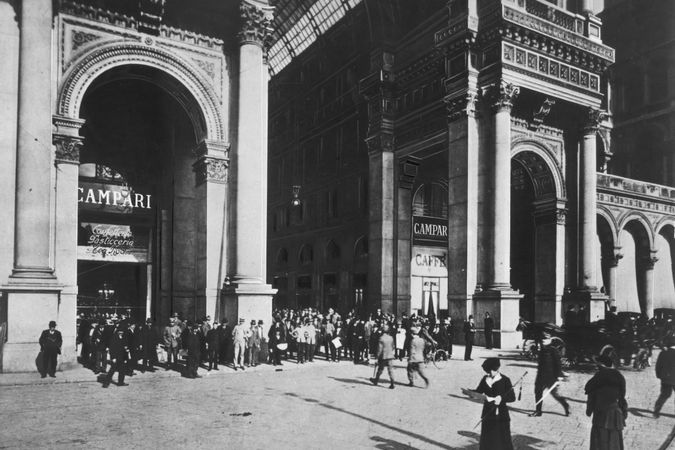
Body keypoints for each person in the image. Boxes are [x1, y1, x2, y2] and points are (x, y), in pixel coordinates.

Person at [584, 354, 627, 450]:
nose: (596, 366)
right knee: (614, 441)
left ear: (601, 365)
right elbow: (622, 396)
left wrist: (589, 410)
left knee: (599, 441)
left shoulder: (598, 376)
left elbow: (590, 392)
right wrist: (623, 412)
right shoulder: (619, 376)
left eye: (597, 364)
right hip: (616, 415)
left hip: (601, 413)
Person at [474, 358, 516, 450]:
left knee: (502, 439)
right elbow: (479, 391)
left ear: (497, 369)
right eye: (488, 371)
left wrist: (501, 398)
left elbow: (512, 397)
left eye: (492, 371)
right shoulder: (485, 379)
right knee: (487, 439)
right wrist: (471, 393)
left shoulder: (505, 380)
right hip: (487, 413)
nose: (490, 373)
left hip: (501, 414)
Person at [530, 340, 569, 417]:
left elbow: (558, 364)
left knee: (555, 394)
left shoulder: (553, 350)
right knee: (538, 392)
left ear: (549, 340)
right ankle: (538, 411)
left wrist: (559, 376)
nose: (543, 341)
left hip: (551, 377)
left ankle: (566, 405)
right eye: (542, 340)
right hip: (540, 376)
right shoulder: (541, 350)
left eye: (545, 339)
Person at [653, 336, 675, 418]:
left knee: (664, 394)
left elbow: (658, 365)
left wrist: (659, 375)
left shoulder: (663, 352)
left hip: (666, 378)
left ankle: (656, 410)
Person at [370, 321, 396, 389]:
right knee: (390, 370)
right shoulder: (391, 338)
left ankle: (376, 380)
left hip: (383, 356)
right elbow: (393, 346)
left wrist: (377, 357)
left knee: (380, 369)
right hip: (390, 356)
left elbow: (379, 349)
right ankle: (392, 383)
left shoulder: (381, 338)